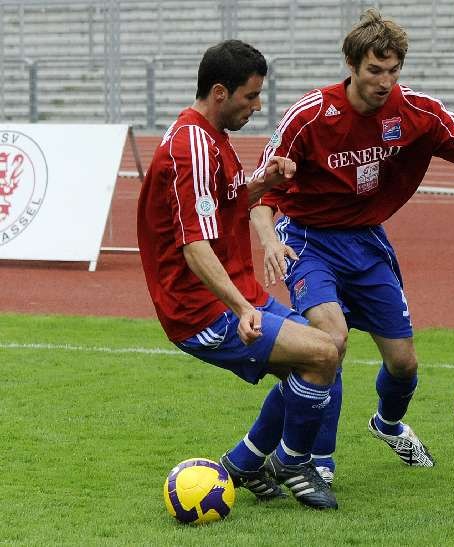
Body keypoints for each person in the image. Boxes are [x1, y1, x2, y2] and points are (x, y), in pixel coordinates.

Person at [246, 9, 454, 483]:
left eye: (393, 70)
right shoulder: (310, 116)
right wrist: (268, 240)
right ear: (351, 65)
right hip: (307, 241)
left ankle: (387, 425)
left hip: (366, 243)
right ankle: (317, 463)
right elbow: (262, 189)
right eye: (374, 70)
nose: (385, 81)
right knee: (329, 343)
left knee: (404, 364)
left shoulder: (417, 113)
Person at [137, 40, 340, 510]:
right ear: (220, 92)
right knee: (321, 355)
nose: (258, 105)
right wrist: (242, 307)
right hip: (201, 310)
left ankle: (245, 462)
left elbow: (226, 204)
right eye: (251, 96)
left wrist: (265, 182)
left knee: (329, 348)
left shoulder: (211, 137)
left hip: (234, 291)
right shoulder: (191, 146)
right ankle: (293, 462)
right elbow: (194, 246)